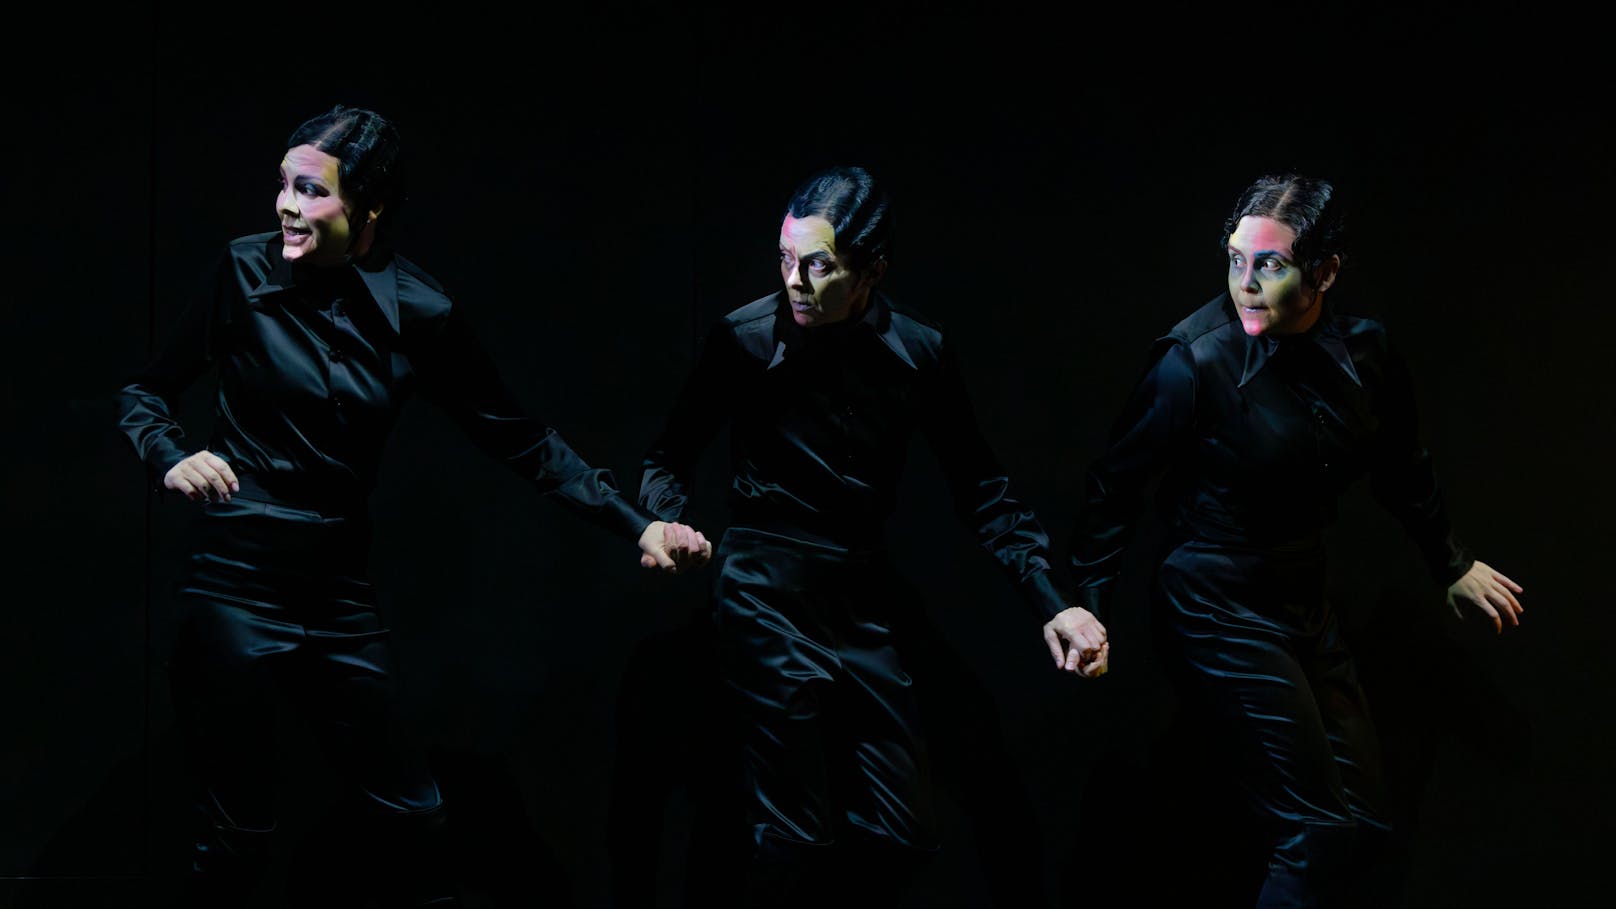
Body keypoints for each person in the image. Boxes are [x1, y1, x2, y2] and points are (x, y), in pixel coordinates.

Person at [115, 104, 710, 907]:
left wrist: (640, 523)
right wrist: (172, 455)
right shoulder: (240, 271)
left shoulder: (419, 311)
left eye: (309, 191)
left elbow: (521, 440)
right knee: (238, 831)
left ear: (369, 208)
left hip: (335, 594)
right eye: (282, 186)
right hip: (235, 581)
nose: (285, 206)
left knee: (416, 817)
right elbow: (145, 392)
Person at [637, 165, 1108, 906]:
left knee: (906, 832)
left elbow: (983, 490)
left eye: (817, 265)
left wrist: (1054, 602)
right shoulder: (745, 337)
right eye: (786, 259)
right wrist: (662, 516)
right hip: (761, 583)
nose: (795, 281)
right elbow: (666, 457)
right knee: (791, 835)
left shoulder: (917, 352)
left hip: (859, 595)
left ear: (871, 271)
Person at [1065, 172, 1524, 907]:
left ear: (1325, 272)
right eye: (1235, 260)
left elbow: (1402, 465)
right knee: (1313, 829)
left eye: (1270, 265)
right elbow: (1114, 488)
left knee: (1365, 825)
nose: (1246, 283)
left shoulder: (1365, 355)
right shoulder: (1193, 360)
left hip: (1302, 601)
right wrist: (1084, 601)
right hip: (1212, 600)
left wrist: (1451, 562)